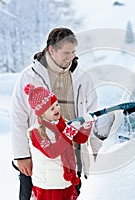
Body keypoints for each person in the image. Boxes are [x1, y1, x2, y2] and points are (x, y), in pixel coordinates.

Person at [11, 27, 102, 200]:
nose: (70, 57)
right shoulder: (30, 76)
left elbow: (93, 113)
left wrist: (96, 150)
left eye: (73, 52)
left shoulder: (82, 77)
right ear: (51, 50)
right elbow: (18, 118)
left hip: (71, 158)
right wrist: (21, 156)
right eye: (65, 52)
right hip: (40, 157)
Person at [23, 83, 94, 200]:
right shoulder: (37, 132)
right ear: (41, 113)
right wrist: (69, 133)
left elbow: (80, 139)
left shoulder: (63, 125)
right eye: (52, 108)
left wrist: (86, 126)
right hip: (48, 186)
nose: (57, 109)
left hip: (66, 183)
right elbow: (52, 152)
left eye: (57, 105)